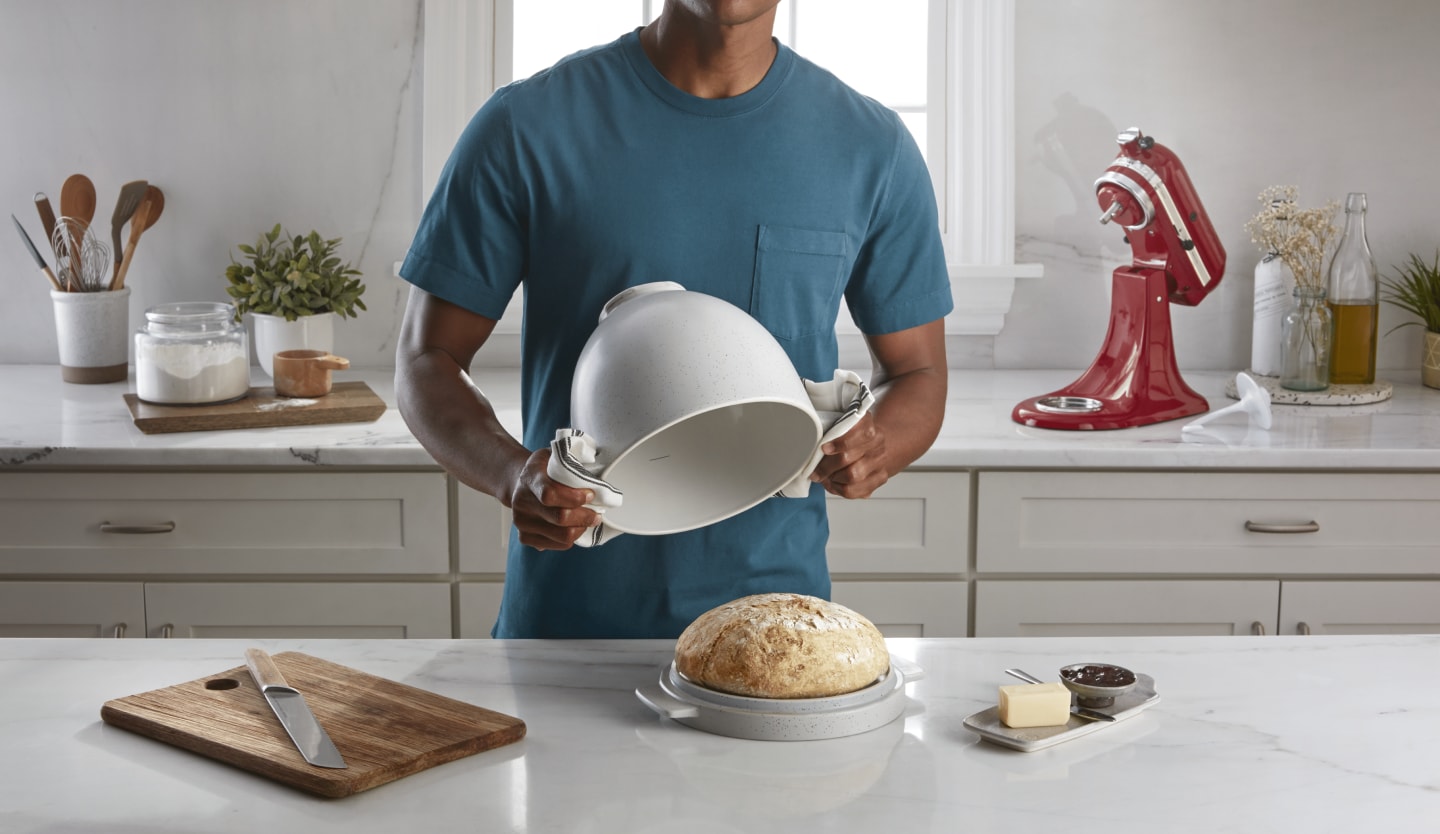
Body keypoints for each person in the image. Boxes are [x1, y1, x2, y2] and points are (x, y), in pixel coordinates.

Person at [395, 0, 952, 639]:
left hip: (776, 633)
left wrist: (876, 444)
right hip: (568, 624)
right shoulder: (526, 125)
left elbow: (919, 371)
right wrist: (511, 473)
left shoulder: (871, 146)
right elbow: (425, 358)